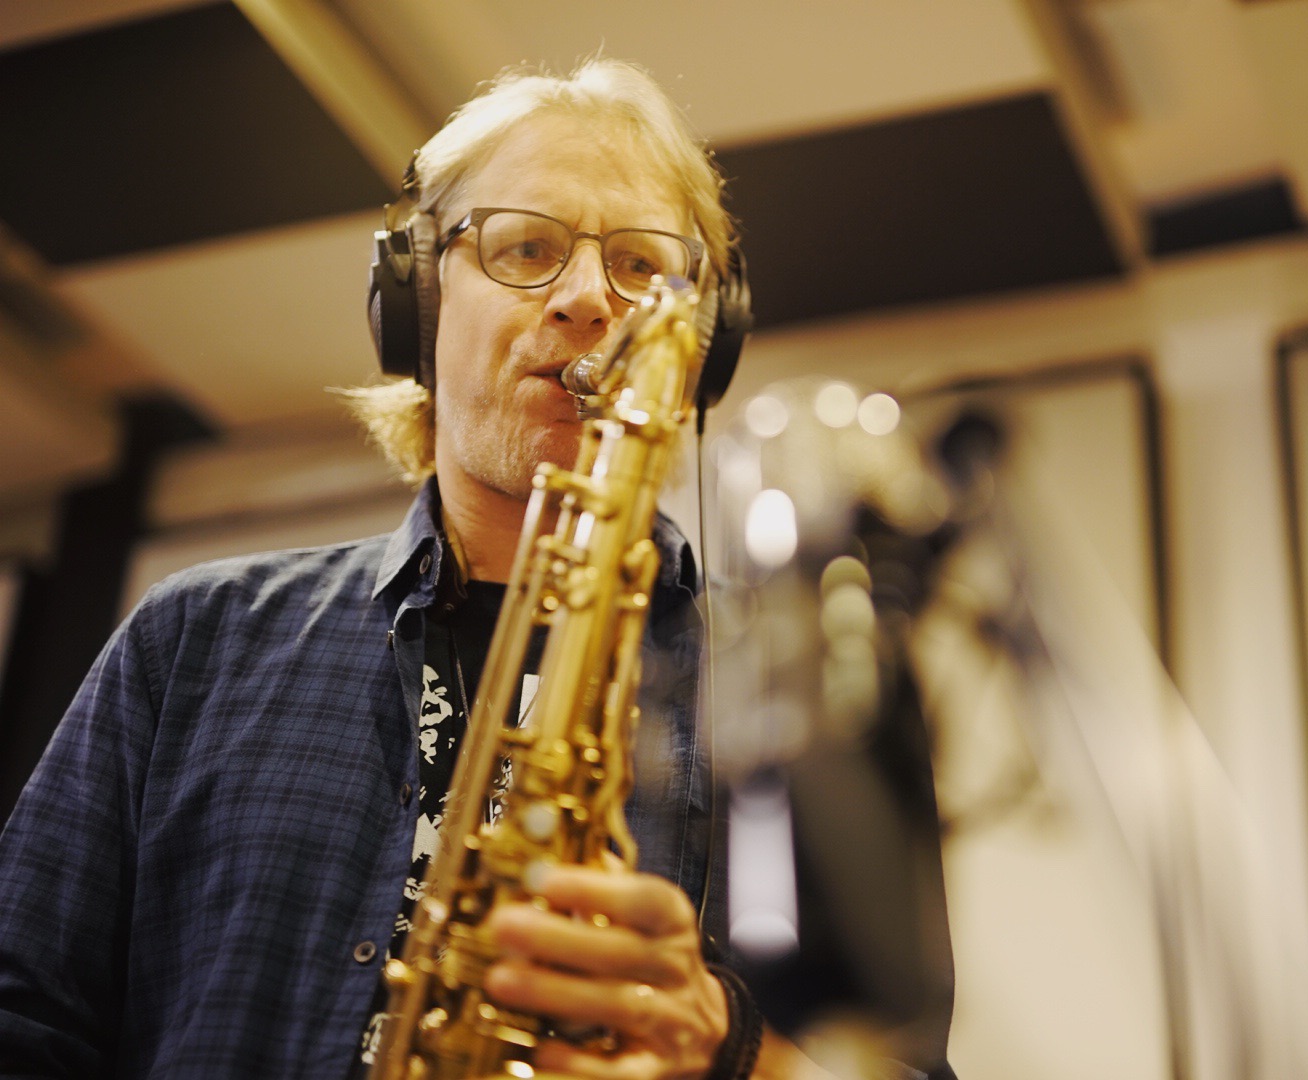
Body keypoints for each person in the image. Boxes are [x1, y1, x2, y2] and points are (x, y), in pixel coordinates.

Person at [0, 59, 874, 1079]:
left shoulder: (801, 686)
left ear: (701, 348)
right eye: (527, 248)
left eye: (642, 267)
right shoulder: (193, 634)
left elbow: (894, 1062)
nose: (587, 300)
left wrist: (732, 1050)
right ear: (416, 300)